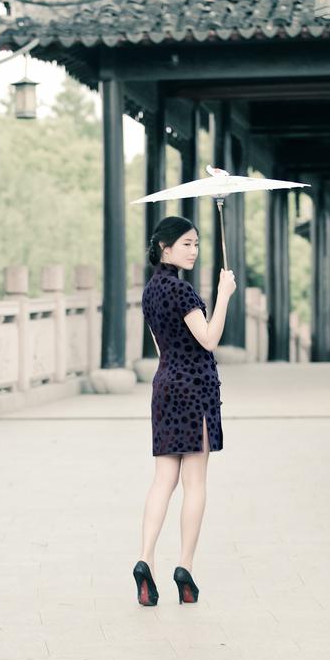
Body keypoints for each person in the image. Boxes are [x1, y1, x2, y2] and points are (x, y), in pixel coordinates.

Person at [132, 216, 235, 606]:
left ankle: (144, 559)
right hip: (194, 389)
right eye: (187, 244)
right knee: (195, 483)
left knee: (162, 481)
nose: (194, 250)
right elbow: (208, 339)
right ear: (165, 247)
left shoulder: (150, 293)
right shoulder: (181, 291)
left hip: (165, 386)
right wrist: (224, 295)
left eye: (196, 244)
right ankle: (185, 568)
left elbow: (162, 347)